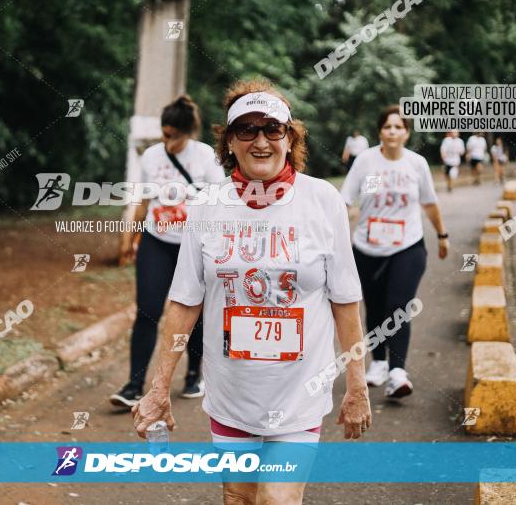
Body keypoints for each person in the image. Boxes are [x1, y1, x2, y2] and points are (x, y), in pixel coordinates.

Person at [132, 80, 370, 505]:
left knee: (276, 500)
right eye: (247, 130)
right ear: (229, 144)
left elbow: (345, 301)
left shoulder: (322, 200)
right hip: (232, 395)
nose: (260, 141)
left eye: (272, 130)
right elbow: (184, 302)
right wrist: (158, 388)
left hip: (299, 392)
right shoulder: (208, 205)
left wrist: (357, 386)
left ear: (290, 137)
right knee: (238, 499)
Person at [112, 95, 225, 408]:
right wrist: (128, 237)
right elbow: (142, 200)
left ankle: (193, 376)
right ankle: (134, 385)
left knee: (195, 314)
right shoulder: (150, 157)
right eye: (165, 134)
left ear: (189, 133)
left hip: (196, 246)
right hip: (157, 242)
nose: (169, 142)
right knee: (147, 311)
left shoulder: (205, 157)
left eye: (176, 136)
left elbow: (221, 205)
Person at [341, 105, 449, 398]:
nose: (392, 132)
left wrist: (442, 234)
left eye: (399, 127)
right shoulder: (365, 161)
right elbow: (346, 200)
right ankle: (378, 363)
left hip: (408, 246)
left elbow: (429, 202)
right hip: (367, 247)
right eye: (387, 127)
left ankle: (397, 372)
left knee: (398, 307)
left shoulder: (416, 164)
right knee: (374, 306)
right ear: (380, 132)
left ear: (407, 132)